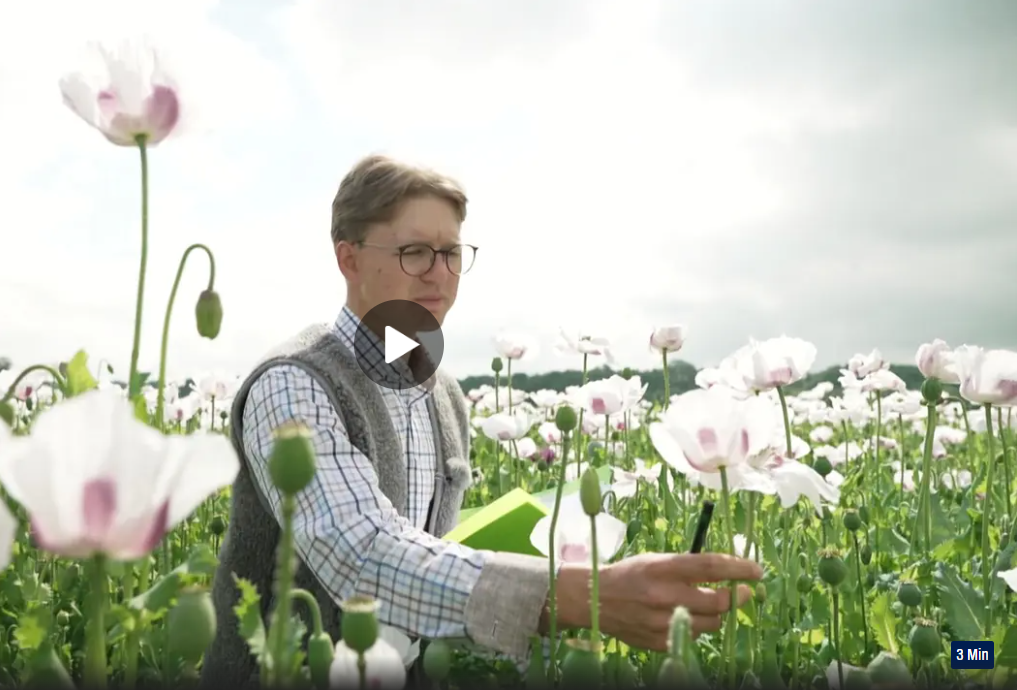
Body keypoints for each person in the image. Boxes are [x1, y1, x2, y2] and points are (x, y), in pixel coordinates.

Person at [201, 154, 762, 685]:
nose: (439, 274)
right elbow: (359, 553)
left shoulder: (444, 393)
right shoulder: (294, 382)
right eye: (414, 252)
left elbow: (428, 553)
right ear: (349, 259)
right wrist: (579, 596)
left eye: (451, 253)